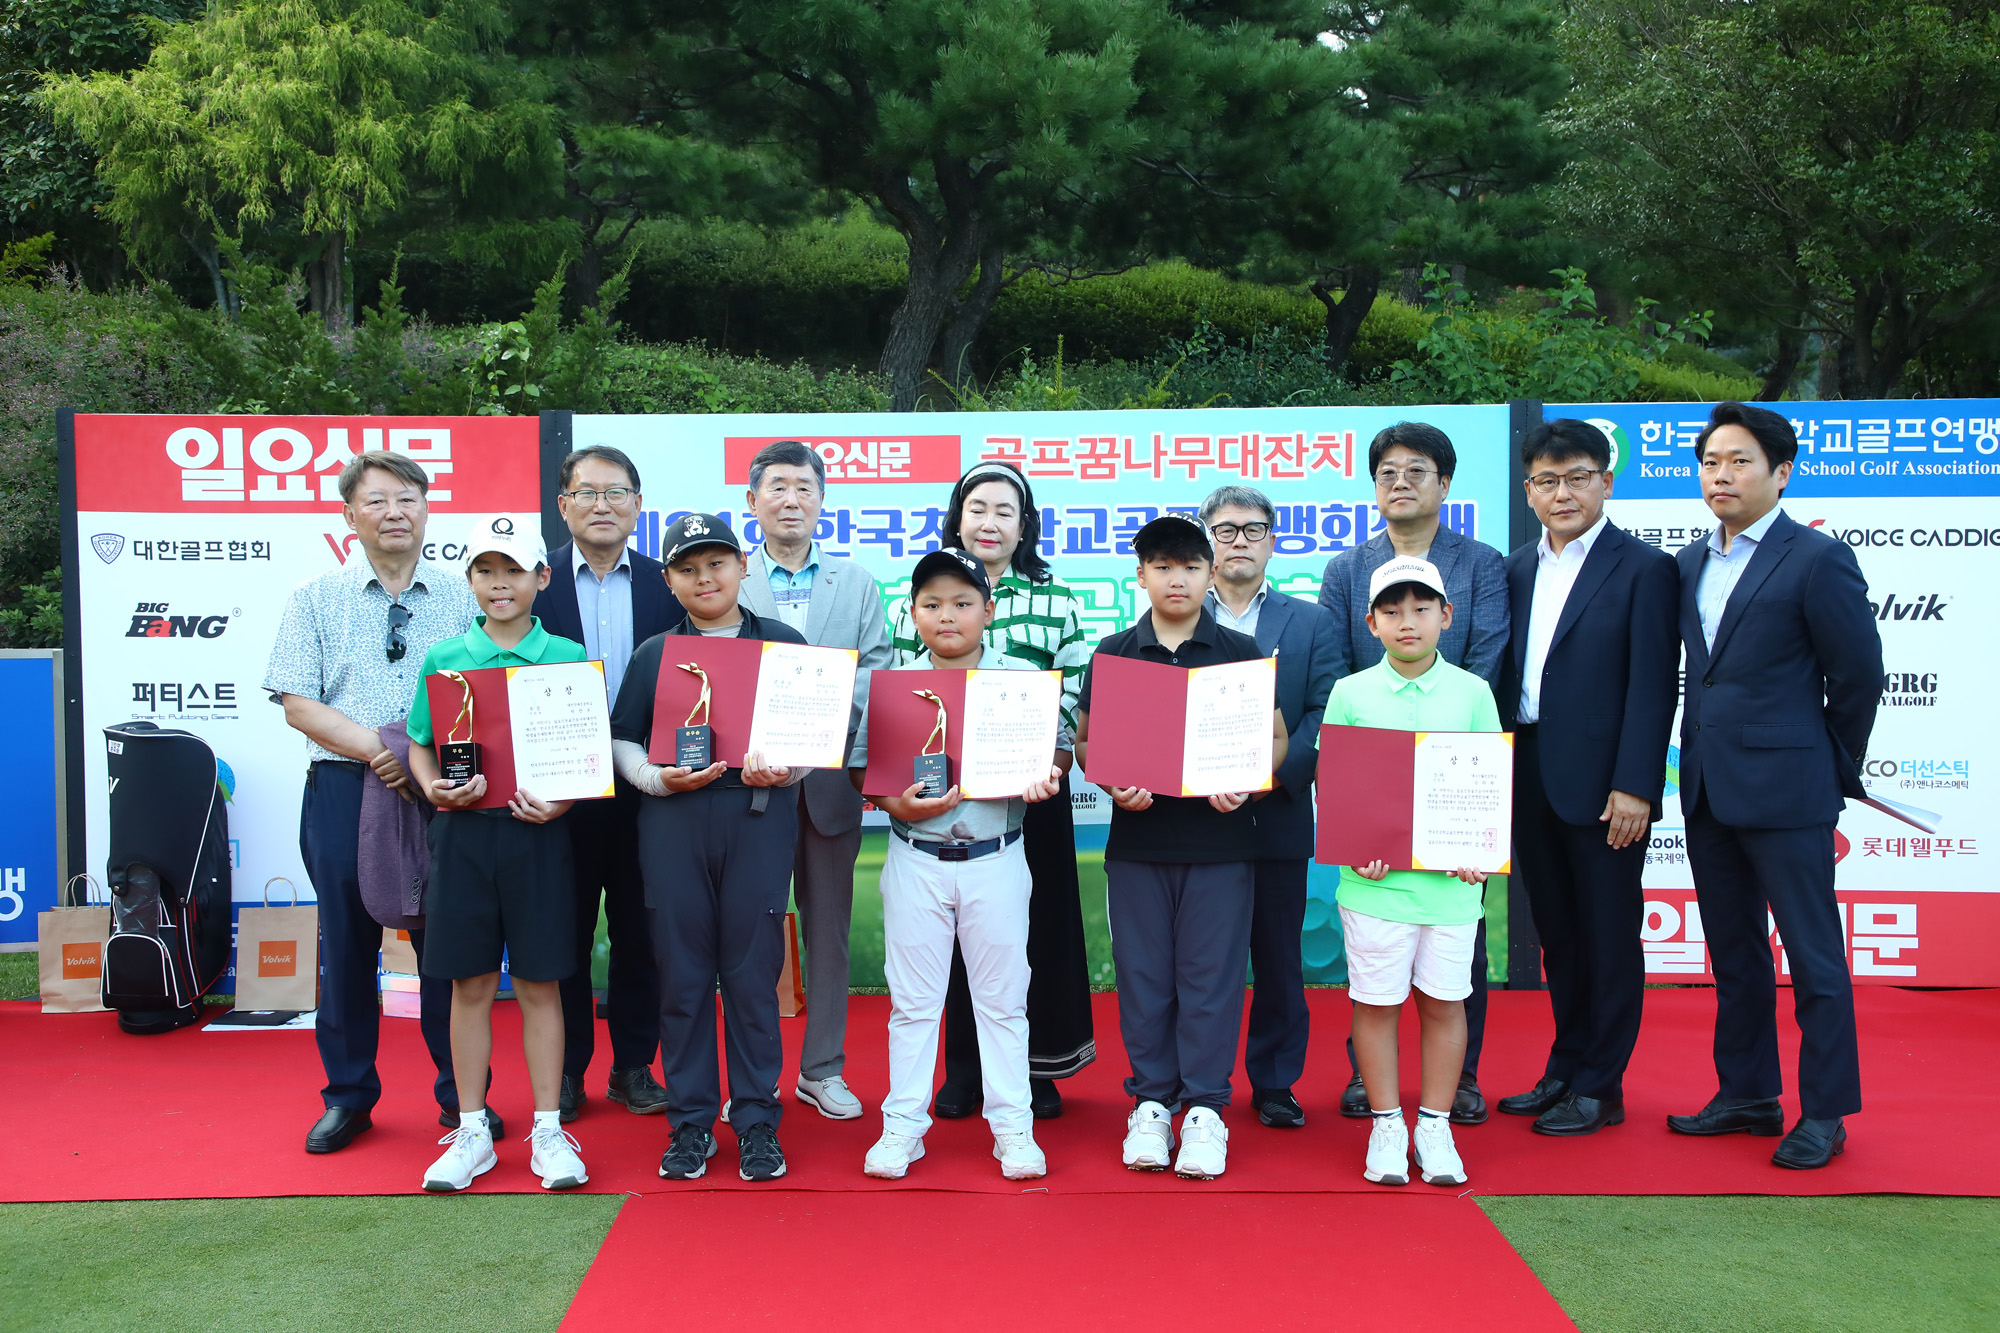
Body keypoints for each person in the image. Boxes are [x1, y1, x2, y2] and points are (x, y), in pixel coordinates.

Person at [1666, 402, 1882, 1170]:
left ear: (1781, 473)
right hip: (1708, 789)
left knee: (1814, 955)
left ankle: (1825, 1110)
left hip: (1790, 789)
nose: (1721, 475)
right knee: (1735, 952)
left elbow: (1858, 675)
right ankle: (1749, 1093)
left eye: (1740, 461)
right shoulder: (1690, 560)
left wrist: (1829, 762)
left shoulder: (1816, 558)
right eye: (1711, 462)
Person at [265, 450, 481, 1156]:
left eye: (409, 499)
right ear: (350, 514)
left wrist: (421, 760)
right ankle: (349, 1096)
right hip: (344, 787)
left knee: (446, 947)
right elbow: (298, 702)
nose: (396, 512)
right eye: (379, 500)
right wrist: (375, 748)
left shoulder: (464, 595)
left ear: (427, 510)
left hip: (442, 792)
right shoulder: (315, 597)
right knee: (349, 948)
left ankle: (463, 1099)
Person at [1075, 513, 1288, 1181]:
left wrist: (1250, 784)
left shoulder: (1240, 654)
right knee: (1143, 979)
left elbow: (1275, 739)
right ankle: (1151, 1102)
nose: (1177, 578)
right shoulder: (1112, 653)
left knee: (1211, 979)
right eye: (1163, 566)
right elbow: (1086, 740)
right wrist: (1110, 777)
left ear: (1210, 573)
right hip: (1138, 845)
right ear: (1141, 575)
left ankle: (1205, 1108)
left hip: (1220, 844)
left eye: (1190, 566)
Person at [885, 461, 1095, 1120]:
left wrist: (1052, 764)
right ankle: (964, 1069)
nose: (990, 521)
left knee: (1030, 932)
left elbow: (1074, 697)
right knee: (946, 934)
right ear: (958, 516)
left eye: (1005, 510)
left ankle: (1037, 1070)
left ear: (1023, 524)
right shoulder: (913, 598)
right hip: (941, 795)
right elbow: (900, 699)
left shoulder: (1055, 598)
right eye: (978, 508)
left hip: (1031, 790)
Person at [852, 547, 1066, 1181]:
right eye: (932, 604)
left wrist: (1044, 776)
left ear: (989, 610)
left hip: (995, 857)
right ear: (913, 613)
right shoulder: (892, 683)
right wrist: (899, 806)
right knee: (913, 1002)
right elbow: (866, 769)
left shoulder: (1020, 682)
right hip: (915, 855)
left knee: (1002, 1002)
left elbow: (1057, 752)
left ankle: (1013, 1128)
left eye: (963, 603)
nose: (948, 616)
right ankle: (903, 1127)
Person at [609, 513, 810, 1183]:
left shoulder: (783, 643)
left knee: (753, 975)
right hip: (673, 820)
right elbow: (624, 737)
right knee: (684, 975)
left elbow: (810, 737)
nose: (706, 577)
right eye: (689, 567)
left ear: (741, 566)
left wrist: (786, 767)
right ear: (668, 579)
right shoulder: (654, 654)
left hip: (757, 816)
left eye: (717, 562)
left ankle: (755, 1118)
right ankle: (691, 1121)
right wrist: (651, 778)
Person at [1317, 421, 1508, 1124]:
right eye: (1387, 471)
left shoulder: (1480, 561)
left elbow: (1486, 654)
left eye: (1417, 470)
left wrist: (1445, 763)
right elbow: (1340, 670)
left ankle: (1456, 1083)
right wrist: (1376, 786)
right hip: (1375, 775)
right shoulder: (1346, 568)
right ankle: (1375, 1088)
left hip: (1456, 776)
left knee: (1451, 963)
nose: (1401, 481)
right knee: (1376, 958)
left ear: (1444, 483)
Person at [1493, 420, 1678, 1136]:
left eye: (1577, 477)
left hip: (1606, 785)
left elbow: (1654, 685)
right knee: (1559, 934)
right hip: (1527, 768)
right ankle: (1565, 1069)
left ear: (1607, 480)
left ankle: (1602, 1085)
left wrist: (1637, 782)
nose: (1561, 492)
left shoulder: (1644, 568)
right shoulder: (1513, 569)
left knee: (1607, 932)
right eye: (1546, 479)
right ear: (1529, 490)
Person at [405, 518, 589, 1193]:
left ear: (541, 578)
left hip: (539, 835)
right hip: (463, 836)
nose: (499, 582)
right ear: (472, 581)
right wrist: (432, 788)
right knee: (470, 983)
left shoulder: (566, 652)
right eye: (486, 571)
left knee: (541, 983)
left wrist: (564, 803)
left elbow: (583, 753)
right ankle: (473, 1126)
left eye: (512, 569)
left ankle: (547, 1127)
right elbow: (421, 740)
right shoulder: (444, 656)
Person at [735, 440, 895, 1122]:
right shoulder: (728, 578)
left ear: (822, 500)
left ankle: (822, 1068)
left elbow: (878, 667)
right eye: (777, 487)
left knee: (826, 931)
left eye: (804, 486)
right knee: (747, 933)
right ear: (753, 501)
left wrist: (825, 712)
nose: (791, 498)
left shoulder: (855, 582)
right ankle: (753, 1076)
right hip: (747, 786)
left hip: (828, 779)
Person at [1327, 557, 1498, 1188]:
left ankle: (1434, 1123)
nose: (1408, 622)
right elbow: (1339, 790)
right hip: (1375, 887)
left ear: (1446, 617)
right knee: (1376, 1004)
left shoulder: (1473, 692)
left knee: (1445, 1002)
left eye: (1422, 608)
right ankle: (1386, 1123)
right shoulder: (1350, 693)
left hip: (1452, 889)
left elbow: (1486, 787)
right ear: (1370, 623)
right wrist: (1356, 847)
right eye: (1393, 611)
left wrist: (1477, 848)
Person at [537, 445, 685, 1123]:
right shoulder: (532, 584)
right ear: (563, 505)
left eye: (616, 492)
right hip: (559, 790)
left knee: (641, 932)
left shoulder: (668, 582)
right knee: (560, 931)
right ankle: (565, 1071)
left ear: (637, 504)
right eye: (587, 493)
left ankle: (634, 1065)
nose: (602, 505)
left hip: (647, 787)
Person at [1198, 484, 1341, 1130]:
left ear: (1272, 540)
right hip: (1194, 819)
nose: (1238, 542)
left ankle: (1276, 1082)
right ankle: (1198, 1081)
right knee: (1202, 962)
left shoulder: (1309, 621)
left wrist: (1273, 771)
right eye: (1225, 530)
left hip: (1277, 813)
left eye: (1252, 530)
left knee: (1280, 959)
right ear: (1207, 540)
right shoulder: (1178, 616)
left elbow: (1325, 712)